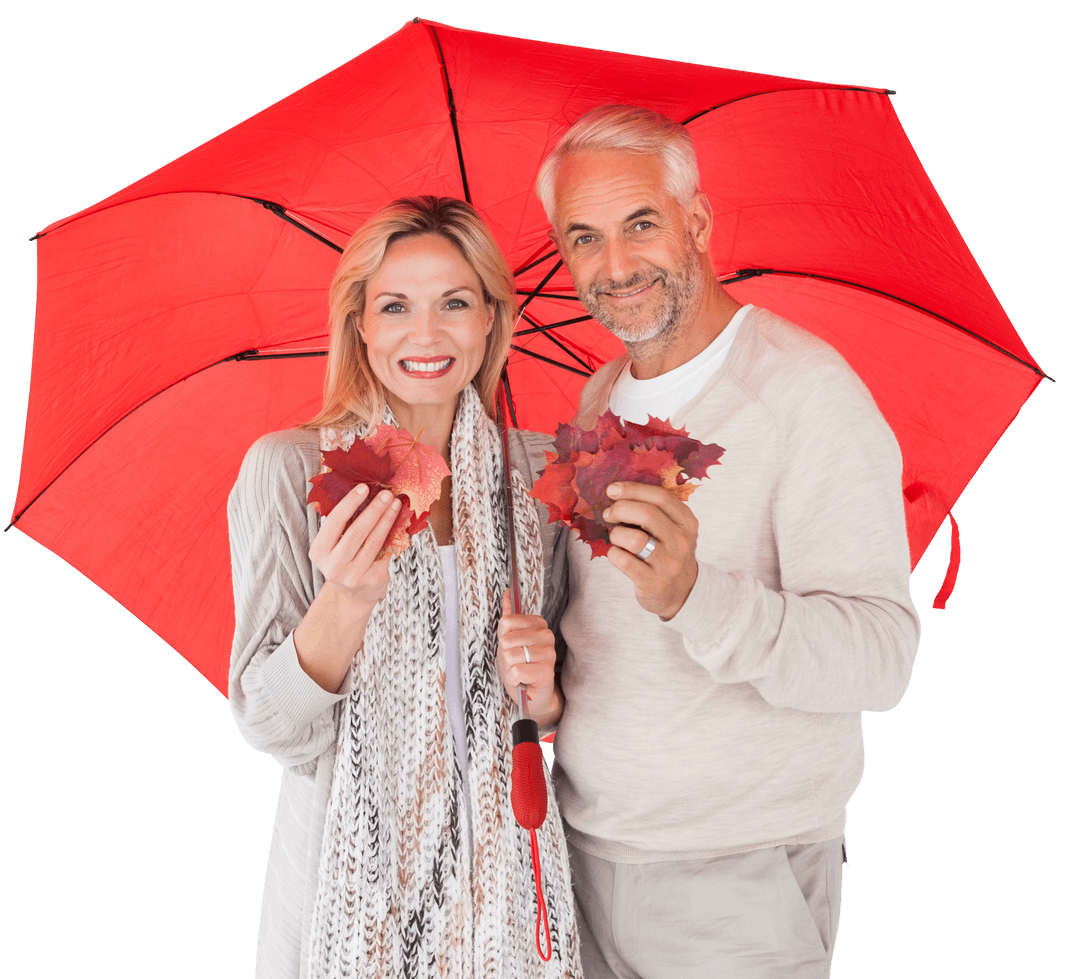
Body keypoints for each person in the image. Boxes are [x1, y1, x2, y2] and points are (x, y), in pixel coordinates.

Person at [521, 105, 922, 978]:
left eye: (641, 224)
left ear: (696, 222)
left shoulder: (804, 394)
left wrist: (697, 597)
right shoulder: (597, 398)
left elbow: (883, 658)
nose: (615, 266)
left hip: (737, 881)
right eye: (585, 238)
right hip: (583, 857)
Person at [227, 196, 582, 979]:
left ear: (490, 319)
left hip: (511, 904)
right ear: (360, 324)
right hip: (345, 901)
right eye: (395, 306)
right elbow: (270, 723)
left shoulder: (537, 476)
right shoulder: (292, 472)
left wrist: (547, 693)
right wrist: (347, 600)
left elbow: (565, 714)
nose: (426, 334)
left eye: (453, 303)